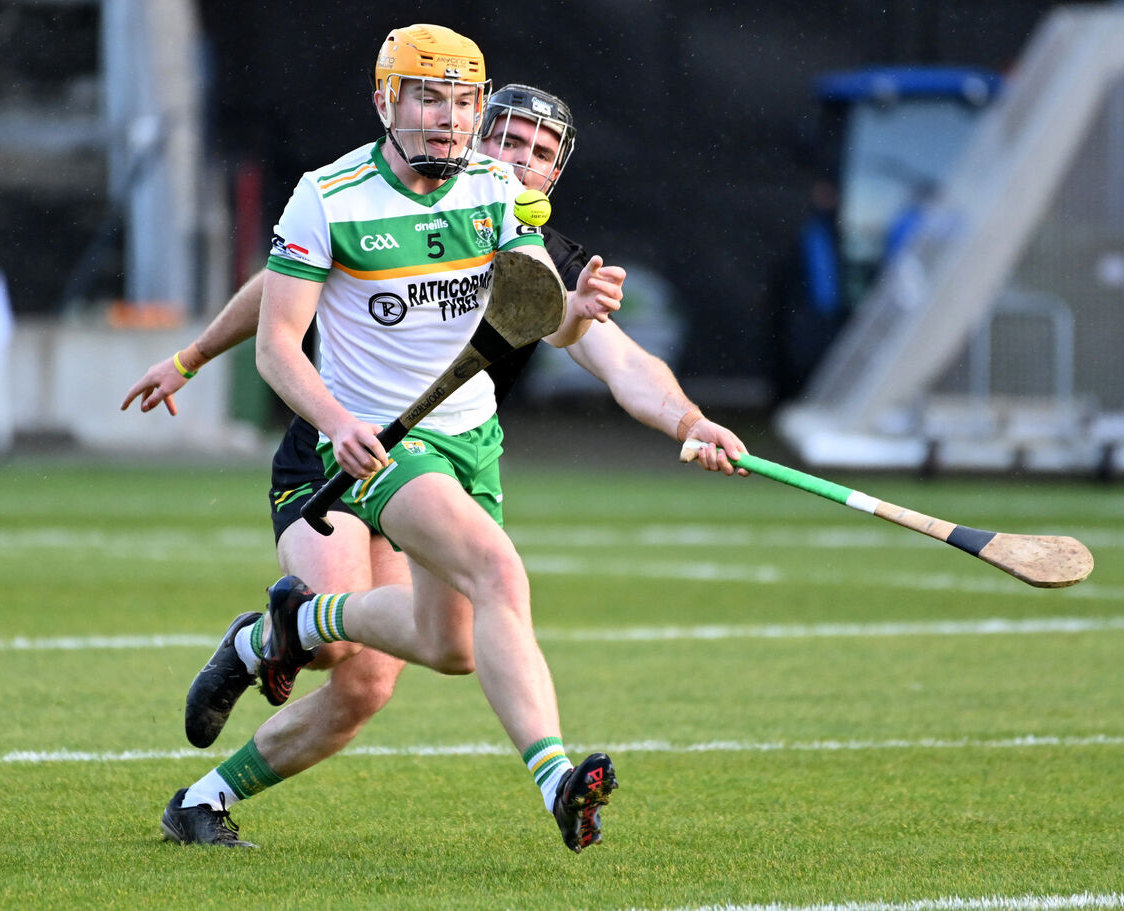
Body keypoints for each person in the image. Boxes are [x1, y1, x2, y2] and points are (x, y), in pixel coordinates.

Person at [130, 41, 745, 850]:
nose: (504, 152)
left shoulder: (505, 208)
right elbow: (280, 315)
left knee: (407, 665)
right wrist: (193, 356)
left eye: (538, 151)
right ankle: (557, 777)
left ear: (552, 172)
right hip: (352, 446)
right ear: (393, 105)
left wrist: (685, 415)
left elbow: (589, 341)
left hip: (462, 447)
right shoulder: (334, 196)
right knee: (489, 573)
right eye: (497, 132)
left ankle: (211, 777)